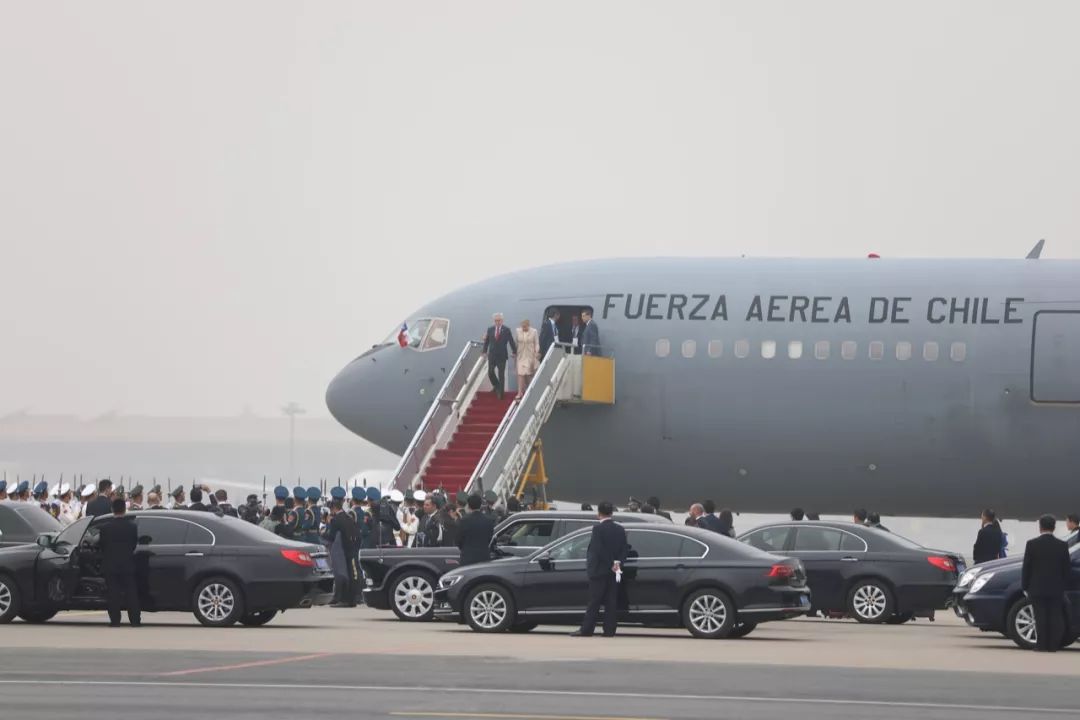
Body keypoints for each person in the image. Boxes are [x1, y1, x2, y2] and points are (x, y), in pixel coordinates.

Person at [571, 501, 628, 637]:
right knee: (611, 602)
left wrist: (610, 563)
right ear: (612, 513)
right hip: (615, 571)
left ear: (599, 514)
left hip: (599, 571)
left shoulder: (597, 529)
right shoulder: (620, 529)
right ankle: (609, 630)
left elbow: (599, 550)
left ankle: (587, 629)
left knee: (594, 602)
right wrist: (617, 563)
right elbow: (624, 549)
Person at [1021, 514, 1071, 652]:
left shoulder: (1031, 544)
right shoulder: (1062, 545)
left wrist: (1025, 585)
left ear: (1040, 527)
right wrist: (1064, 586)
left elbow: (1027, 567)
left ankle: (1041, 645)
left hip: (1036, 587)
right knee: (1055, 617)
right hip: (1056, 588)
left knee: (1040, 616)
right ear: (1054, 528)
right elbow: (1066, 569)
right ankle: (1053, 645)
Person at [98, 498, 141, 627]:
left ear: (112, 510)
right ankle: (135, 621)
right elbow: (134, 545)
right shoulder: (132, 527)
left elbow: (102, 546)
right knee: (131, 594)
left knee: (113, 594)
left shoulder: (105, 528)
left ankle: (115, 621)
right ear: (124, 509)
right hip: (128, 564)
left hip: (111, 565)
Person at [325, 497, 360, 608]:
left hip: (343, 551)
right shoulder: (348, 517)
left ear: (334, 508)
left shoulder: (336, 520)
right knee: (352, 573)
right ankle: (352, 599)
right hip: (353, 549)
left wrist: (322, 533)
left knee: (342, 574)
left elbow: (331, 537)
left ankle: (343, 599)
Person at [482, 312, 517, 399]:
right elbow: (487, 342)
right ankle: (497, 386)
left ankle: (501, 394)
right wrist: (484, 351)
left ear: (502, 320)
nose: (497, 322)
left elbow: (511, 341)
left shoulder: (506, 330)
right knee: (490, 372)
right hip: (492, 355)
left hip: (502, 355)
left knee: (501, 375)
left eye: (499, 320)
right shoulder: (490, 329)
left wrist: (514, 351)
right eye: (495, 320)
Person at [457, 494, 495, 566]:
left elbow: (458, 540)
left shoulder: (464, 520)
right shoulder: (488, 520)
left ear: (468, 505)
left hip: (467, 558)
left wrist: (466, 548)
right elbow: (490, 538)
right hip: (484, 558)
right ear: (480, 505)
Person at [514, 318, 541, 398]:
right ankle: (520, 392)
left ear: (529, 326)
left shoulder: (534, 331)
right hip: (521, 356)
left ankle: (530, 392)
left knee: (529, 375)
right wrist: (514, 352)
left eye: (525, 327)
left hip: (530, 356)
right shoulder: (518, 331)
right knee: (520, 374)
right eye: (522, 327)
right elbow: (515, 343)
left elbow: (537, 343)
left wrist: (536, 351)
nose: (523, 328)